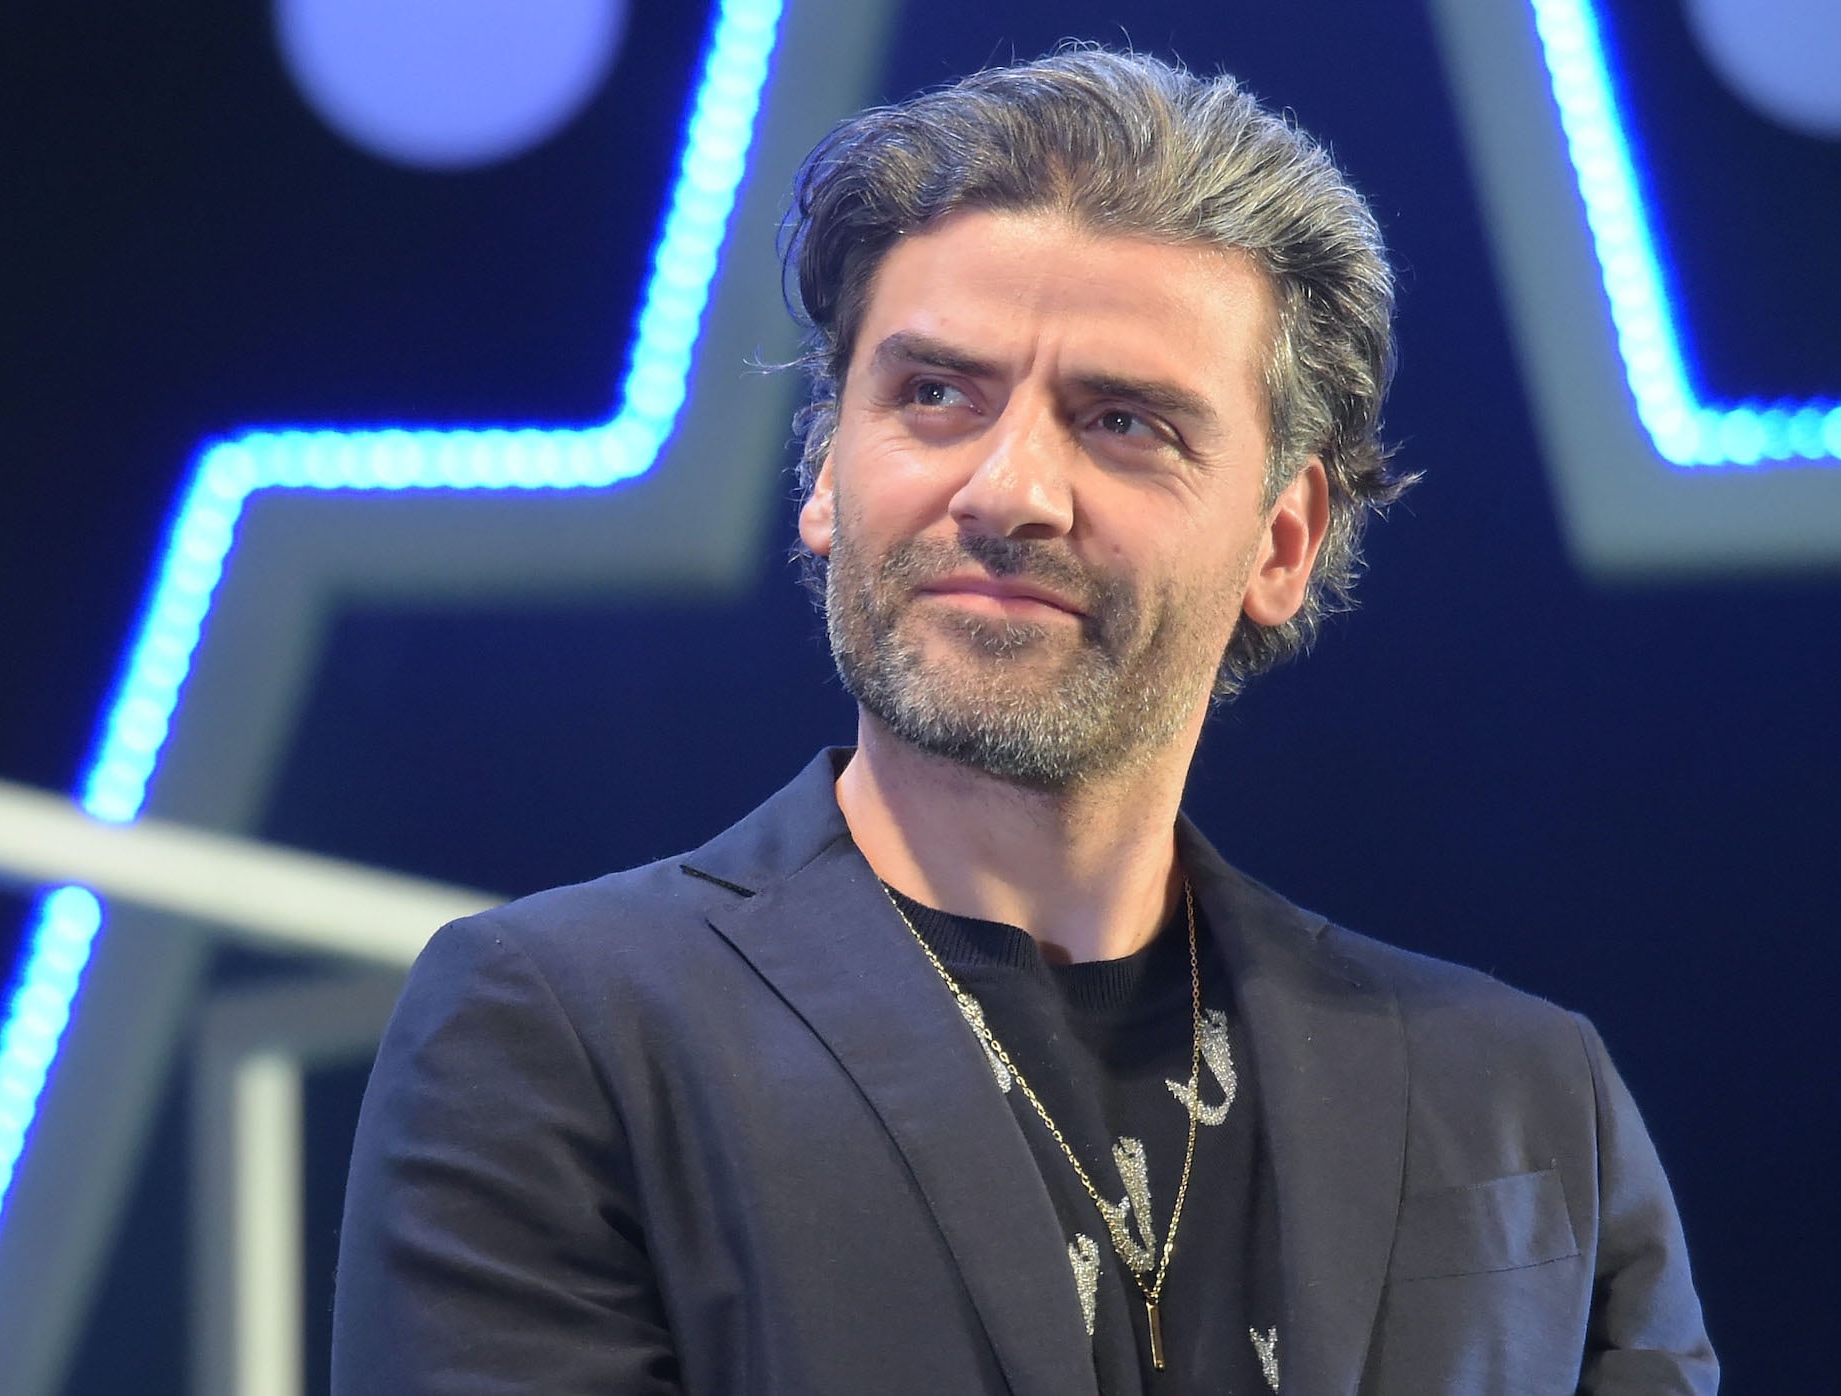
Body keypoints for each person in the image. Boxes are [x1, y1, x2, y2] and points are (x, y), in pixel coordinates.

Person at [332, 47, 1717, 1395]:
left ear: (1283, 539)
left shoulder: (1525, 1093)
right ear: (826, 472)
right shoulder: (565, 1031)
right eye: (934, 395)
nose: (1008, 491)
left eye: (1122, 423)